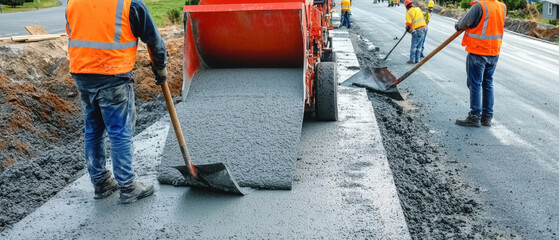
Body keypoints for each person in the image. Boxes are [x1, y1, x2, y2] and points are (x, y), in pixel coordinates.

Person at [66, 0, 167, 203]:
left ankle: (101, 183)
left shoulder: (73, 1)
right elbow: (153, 41)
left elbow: (73, 31)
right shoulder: (131, 4)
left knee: (93, 129)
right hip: (113, 73)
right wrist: (160, 67)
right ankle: (128, 186)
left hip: (82, 73)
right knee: (119, 131)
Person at [455, 0, 506, 127]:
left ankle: (474, 117)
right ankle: (487, 117)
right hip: (494, 51)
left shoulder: (480, 6)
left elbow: (464, 23)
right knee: (488, 83)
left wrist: (458, 25)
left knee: (475, 84)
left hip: (478, 51)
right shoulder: (502, 6)